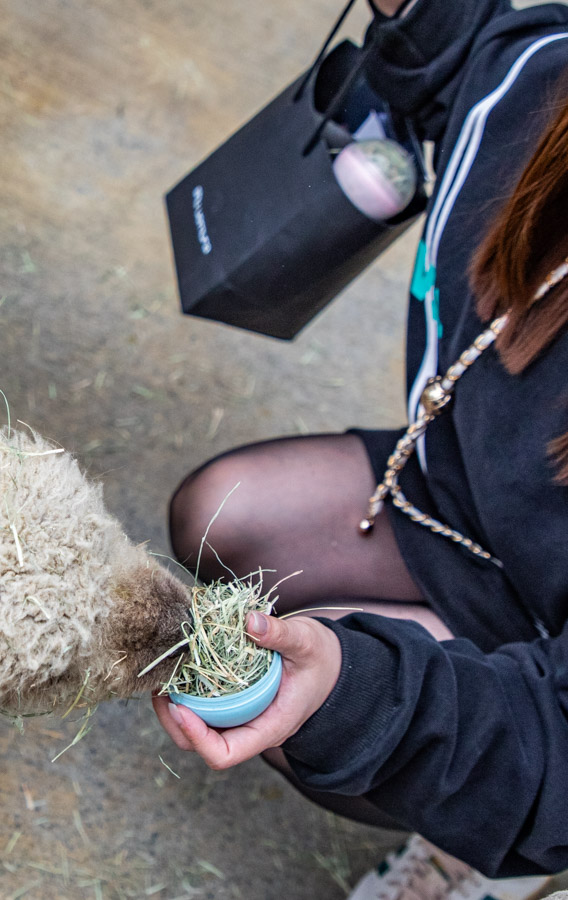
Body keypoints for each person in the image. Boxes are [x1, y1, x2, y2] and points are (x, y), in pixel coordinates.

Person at [153, 0, 568, 898]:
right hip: (465, 501)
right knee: (218, 514)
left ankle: (496, 852)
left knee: (316, 707)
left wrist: (359, 687)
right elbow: (476, 74)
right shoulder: (550, 72)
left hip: (557, 652)